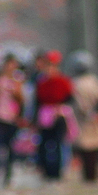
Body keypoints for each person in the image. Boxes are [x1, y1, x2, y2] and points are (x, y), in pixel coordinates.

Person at [67, 51, 98, 182]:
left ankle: (88, 176)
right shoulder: (95, 82)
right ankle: (92, 175)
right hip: (95, 120)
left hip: (81, 120)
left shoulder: (74, 83)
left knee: (84, 147)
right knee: (94, 147)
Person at [34, 51, 75, 180]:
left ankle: (58, 170)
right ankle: (46, 170)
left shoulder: (64, 81)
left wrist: (59, 107)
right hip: (45, 115)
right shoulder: (42, 83)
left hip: (60, 114)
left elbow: (69, 97)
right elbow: (38, 100)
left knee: (59, 144)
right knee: (44, 144)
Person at [0, 54, 24, 188]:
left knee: (10, 149)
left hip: (12, 118)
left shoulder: (18, 80)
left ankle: (8, 175)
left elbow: (21, 99)